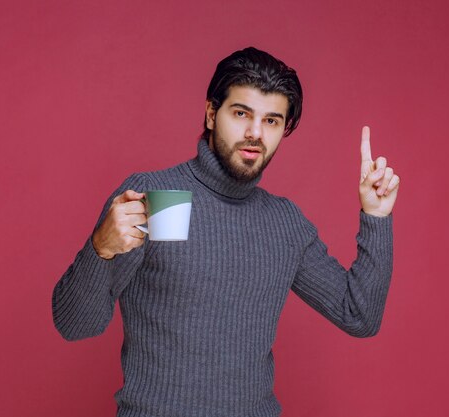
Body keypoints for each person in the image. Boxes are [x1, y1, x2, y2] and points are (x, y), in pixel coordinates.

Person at [52, 46, 400, 417]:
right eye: (241, 113)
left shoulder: (282, 223)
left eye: (272, 121)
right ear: (211, 113)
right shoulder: (164, 200)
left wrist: (376, 217)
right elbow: (75, 325)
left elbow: (359, 316)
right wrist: (100, 249)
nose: (254, 133)